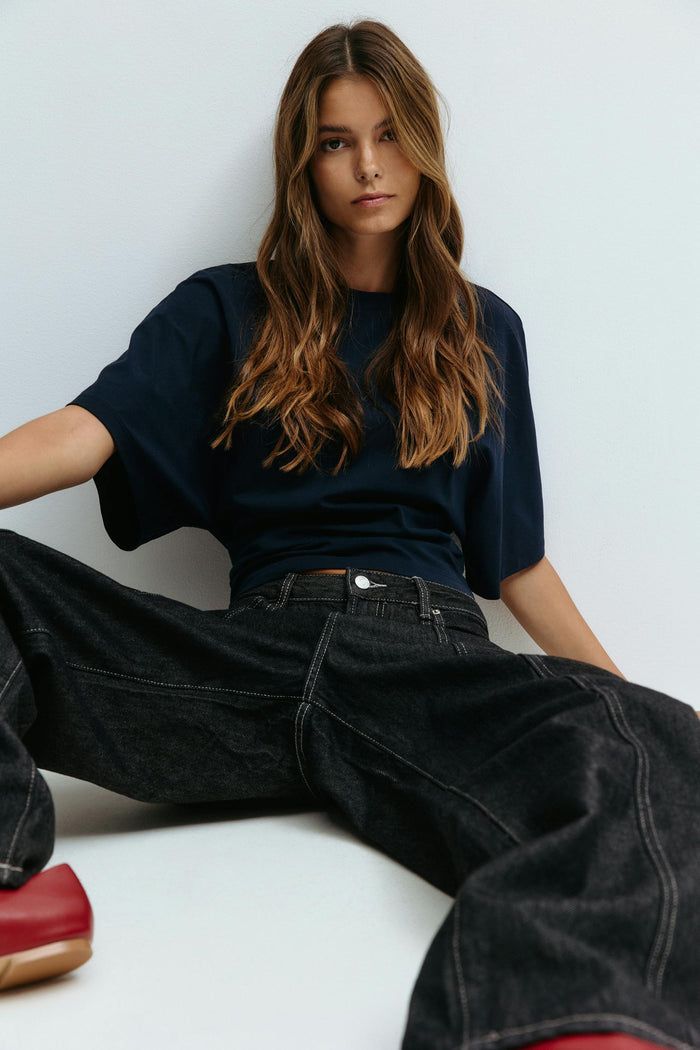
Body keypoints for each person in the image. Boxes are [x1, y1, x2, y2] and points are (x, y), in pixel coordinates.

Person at [0, 18, 698, 1050]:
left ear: (423, 146)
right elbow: (82, 432)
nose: (368, 166)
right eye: (336, 141)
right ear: (304, 164)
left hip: (429, 668)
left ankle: (553, 1019)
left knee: (666, 742)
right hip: (250, 668)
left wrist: (627, 706)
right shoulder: (224, 309)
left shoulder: (482, 328)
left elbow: (515, 560)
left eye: (390, 134)